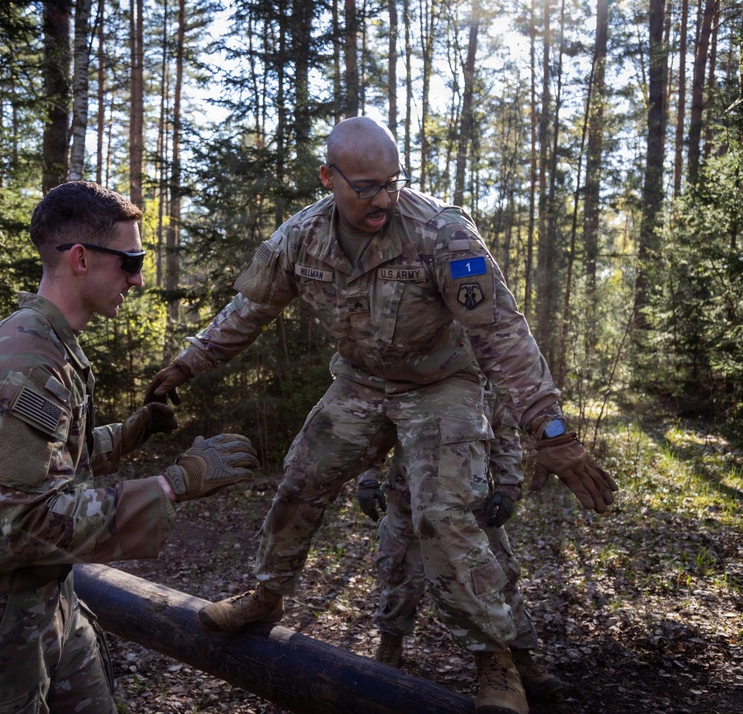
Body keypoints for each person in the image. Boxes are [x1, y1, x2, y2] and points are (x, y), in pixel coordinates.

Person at [144, 117, 616, 714]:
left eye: (392, 183)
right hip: (362, 384)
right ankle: (267, 593)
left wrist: (549, 429)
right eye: (366, 187)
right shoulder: (301, 237)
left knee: (444, 511)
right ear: (329, 178)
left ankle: (495, 662)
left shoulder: (441, 234)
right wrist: (189, 362)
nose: (383, 200)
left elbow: (501, 334)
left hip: (442, 383)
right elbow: (251, 308)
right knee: (300, 479)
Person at [0, 180, 259, 713]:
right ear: (80, 258)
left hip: (45, 599)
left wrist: (133, 431)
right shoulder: (26, 363)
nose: (138, 278)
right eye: (130, 260)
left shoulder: (52, 344)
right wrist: (173, 485)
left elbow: (49, 460)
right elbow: (29, 522)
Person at [356, 381, 562, 699]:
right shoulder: (404, 372)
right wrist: (367, 477)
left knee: (500, 578)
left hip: (472, 505)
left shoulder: (484, 378)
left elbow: (505, 434)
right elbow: (375, 429)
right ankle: (389, 649)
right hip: (408, 502)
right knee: (400, 579)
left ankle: (519, 660)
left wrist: (508, 486)